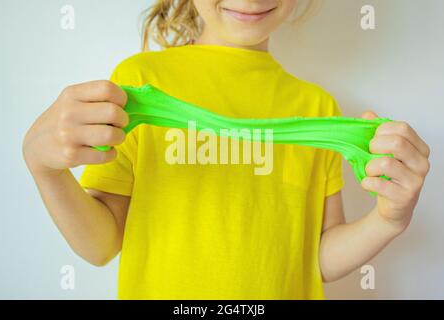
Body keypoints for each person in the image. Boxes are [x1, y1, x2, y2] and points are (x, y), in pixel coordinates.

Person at [22, 0, 431, 299]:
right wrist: (44, 168)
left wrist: (388, 220)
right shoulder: (140, 82)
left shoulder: (317, 107)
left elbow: (317, 258)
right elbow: (100, 245)